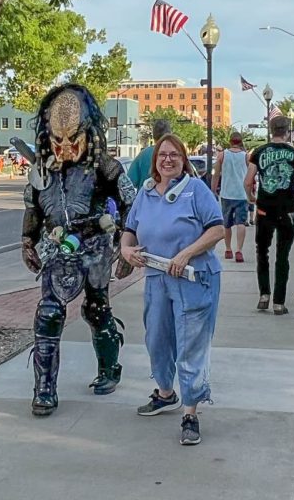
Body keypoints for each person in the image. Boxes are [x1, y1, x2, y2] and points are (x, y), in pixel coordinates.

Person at [20, 84, 136, 416]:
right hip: (57, 247)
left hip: (95, 245)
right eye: (59, 142)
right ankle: (44, 388)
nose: (66, 149)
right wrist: (27, 241)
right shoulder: (41, 168)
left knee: (97, 311)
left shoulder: (105, 166)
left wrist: (125, 245)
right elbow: (33, 208)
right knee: (49, 314)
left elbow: (130, 203)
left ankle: (109, 367)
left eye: (73, 141)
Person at [121, 133, 223, 447]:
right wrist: (126, 251)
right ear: (155, 161)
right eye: (162, 155)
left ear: (184, 160)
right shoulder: (146, 193)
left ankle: (190, 413)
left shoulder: (196, 190)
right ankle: (166, 393)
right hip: (156, 277)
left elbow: (218, 228)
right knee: (157, 339)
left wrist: (187, 253)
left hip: (193, 278)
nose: (168, 159)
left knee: (191, 345)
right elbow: (129, 231)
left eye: (174, 155)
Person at [244, 114, 294, 315]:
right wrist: (292, 182)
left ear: (271, 130)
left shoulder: (259, 152)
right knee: (283, 255)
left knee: (262, 251)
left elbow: (248, 180)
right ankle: (279, 302)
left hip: (264, 209)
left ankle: (264, 294)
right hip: (287, 210)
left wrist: (251, 197)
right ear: (287, 132)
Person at [211, 131, 249, 261]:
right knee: (241, 223)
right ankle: (239, 250)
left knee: (226, 224)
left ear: (230, 141)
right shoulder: (246, 157)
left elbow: (216, 174)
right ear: (241, 142)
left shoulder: (222, 155)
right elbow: (250, 176)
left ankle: (228, 249)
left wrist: (213, 189)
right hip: (242, 194)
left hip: (227, 193)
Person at [128, 118, 173, 190]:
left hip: (145, 198)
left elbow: (130, 182)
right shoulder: (177, 155)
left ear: (154, 135)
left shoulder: (143, 155)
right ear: (170, 134)